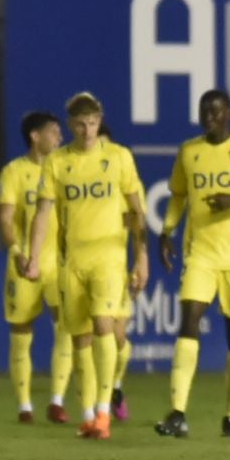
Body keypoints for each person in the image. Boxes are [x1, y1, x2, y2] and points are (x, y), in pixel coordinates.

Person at [25, 93, 149, 440]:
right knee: (79, 338)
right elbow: (44, 212)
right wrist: (34, 257)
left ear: (100, 120)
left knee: (104, 326)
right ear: (70, 125)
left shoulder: (119, 157)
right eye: (80, 123)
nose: (87, 129)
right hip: (71, 262)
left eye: (92, 122)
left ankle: (105, 413)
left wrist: (142, 257)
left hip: (108, 258)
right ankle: (90, 413)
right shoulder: (58, 163)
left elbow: (138, 213)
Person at [154, 89, 230, 440]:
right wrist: (167, 230)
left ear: (228, 114)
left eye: (216, 112)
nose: (209, 117)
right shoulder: (189, 152)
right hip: (201, 254)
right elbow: (178, 195)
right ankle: (177, 413)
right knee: (188, 321)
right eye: (204, 111)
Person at [0, 111, 73, 424]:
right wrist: (16, 250)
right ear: (34, 136)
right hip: (25, 261)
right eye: (53, 132)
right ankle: (24, 405)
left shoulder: (66, 169)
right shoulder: (14, 172)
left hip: (60, 263)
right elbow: (4, 218)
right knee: (21, 331)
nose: (59, 137)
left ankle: (56, 400)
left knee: (67, 326)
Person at [96, 119, 133, 421]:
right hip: (84, 267)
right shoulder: (84, 183)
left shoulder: (122, 184)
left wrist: (138, 262)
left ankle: (115, 386)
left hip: (116, 267)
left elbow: (136, 222)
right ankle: (96, 402)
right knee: (92, 334)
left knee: (119, 338)